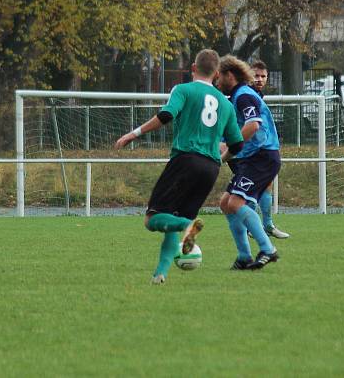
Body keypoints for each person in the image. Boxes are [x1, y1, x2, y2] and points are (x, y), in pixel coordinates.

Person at [114, 49, 244, 285]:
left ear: (193, 69)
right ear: (216, 74)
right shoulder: (225, 104)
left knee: (152, 219)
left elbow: (166, 115)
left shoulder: (183, 90)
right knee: (170, 225)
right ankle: (159, 274)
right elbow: (237, 144)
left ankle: (188, 225)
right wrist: (220, 159)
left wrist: (133, 134)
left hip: (185, 160)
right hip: (210, 168)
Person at [217, 55, 281, 270]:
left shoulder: (244, 95)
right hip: (252, 159)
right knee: (226, 203)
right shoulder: (237, 96)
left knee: (236, 203)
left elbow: (253, 125)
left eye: (219, 77)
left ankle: (268, 248)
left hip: (262, 157)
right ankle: (244, 256)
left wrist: (229, 150)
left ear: (229, 75)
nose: (217, 82)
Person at [250, 60, 290, 239]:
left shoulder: (258, 95)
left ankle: (266, 225)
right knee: (250, 187)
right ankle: (252, 226)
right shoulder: (246, 95)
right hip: (249, 148)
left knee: (266, 184)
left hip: (261, 148)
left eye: (262, 76)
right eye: (256, 75)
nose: (259, 79)